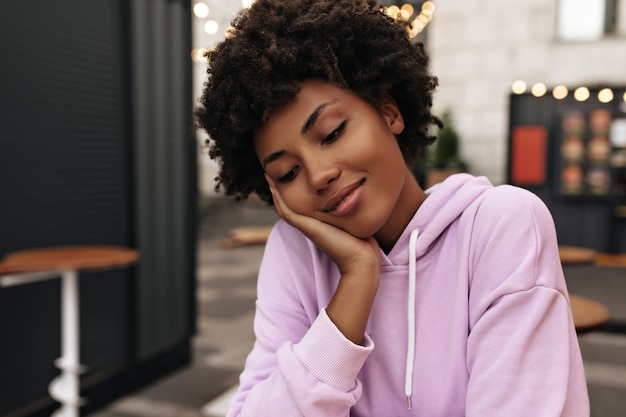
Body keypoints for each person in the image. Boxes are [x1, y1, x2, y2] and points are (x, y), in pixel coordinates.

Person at [195, 0, 590, 415]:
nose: (318, 175)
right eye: (287, 172)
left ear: (389, 111)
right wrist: (357, 281)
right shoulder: (296, 253)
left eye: (331, 133)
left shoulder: (499, 225)